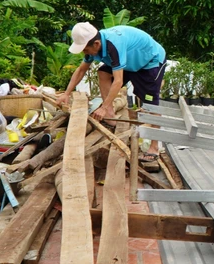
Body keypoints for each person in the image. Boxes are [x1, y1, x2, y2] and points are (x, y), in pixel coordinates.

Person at [60, 22, 166, 163]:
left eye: (85, 50)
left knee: (151, 104)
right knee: (103, 72)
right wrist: (66, 94)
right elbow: (81, 70)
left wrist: (103, 107)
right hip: (129, 62)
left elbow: (118, 81)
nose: (85, 53)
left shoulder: (113, 45)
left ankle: (154, 147)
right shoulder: (95, 46)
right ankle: (110, 116)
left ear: (96, 44)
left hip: (149, 61)